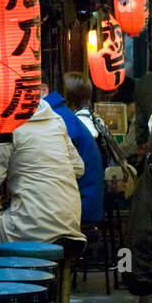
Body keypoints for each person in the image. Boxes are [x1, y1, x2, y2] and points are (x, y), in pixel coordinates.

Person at [0, 95, 85, 256]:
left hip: (31, 226)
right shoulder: (55, 120)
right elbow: (78, 168)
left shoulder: (9, 125)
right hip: (70, 223)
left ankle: (14, 281)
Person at [44, 78, 105, 227]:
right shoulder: (61, 115)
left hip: (81, 209)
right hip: (88, 204)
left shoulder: (55, 119)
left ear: (43, 90)